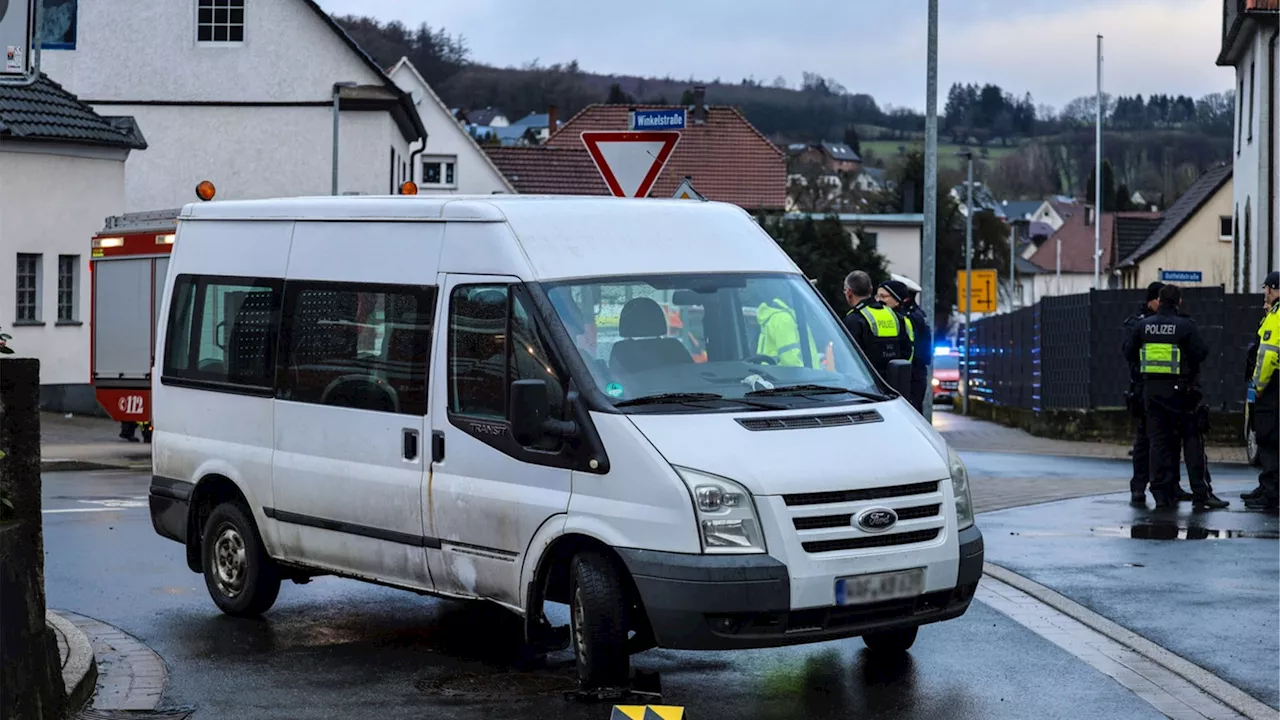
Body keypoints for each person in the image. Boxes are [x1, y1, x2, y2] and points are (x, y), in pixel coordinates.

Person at [1126, 284, 1226, 510]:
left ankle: (1161, 493)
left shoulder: (1143, 326)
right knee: (1192, 442)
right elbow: (1201, 353)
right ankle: (1200, 492)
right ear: (1178, 301)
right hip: (1182, 394)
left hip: (1151, 393)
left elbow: (1129, 353)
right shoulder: (1185, 326)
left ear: (1159, 301)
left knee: (1158, 444)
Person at [1122, 282, 1192, 505]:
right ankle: (1139, 487)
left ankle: (1171, 485)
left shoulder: (1146, 323)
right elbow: (1129, 353)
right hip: (1145, 387)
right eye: (1159, 301)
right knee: (1145, 441)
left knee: (1169, 440)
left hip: (1159, 389)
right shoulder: (1138, 323)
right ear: (1152, 300)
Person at [1244, 271, 1280, 511]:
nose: (1265, 293)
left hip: (1272, 387)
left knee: (1267, 438)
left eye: (1267, 288)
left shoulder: (1276, 316)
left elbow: (1267, 355)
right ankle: (1267, 485)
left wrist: (1257, 386)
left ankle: (1270, 491)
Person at [842, 271, 911, 378]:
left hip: (867, 384)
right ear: (870, 290)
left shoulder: (854, 319)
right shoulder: (893, 314)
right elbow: (907, 351)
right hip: (894, 383)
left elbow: (849, 358)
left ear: (849, 292)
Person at [877, 280, 930, 412]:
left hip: (909, 376)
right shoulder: (916, 315)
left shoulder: (906, 318)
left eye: (884, 297)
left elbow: (909, 350)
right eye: (877, 296)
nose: (879, 301)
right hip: (913, 375)